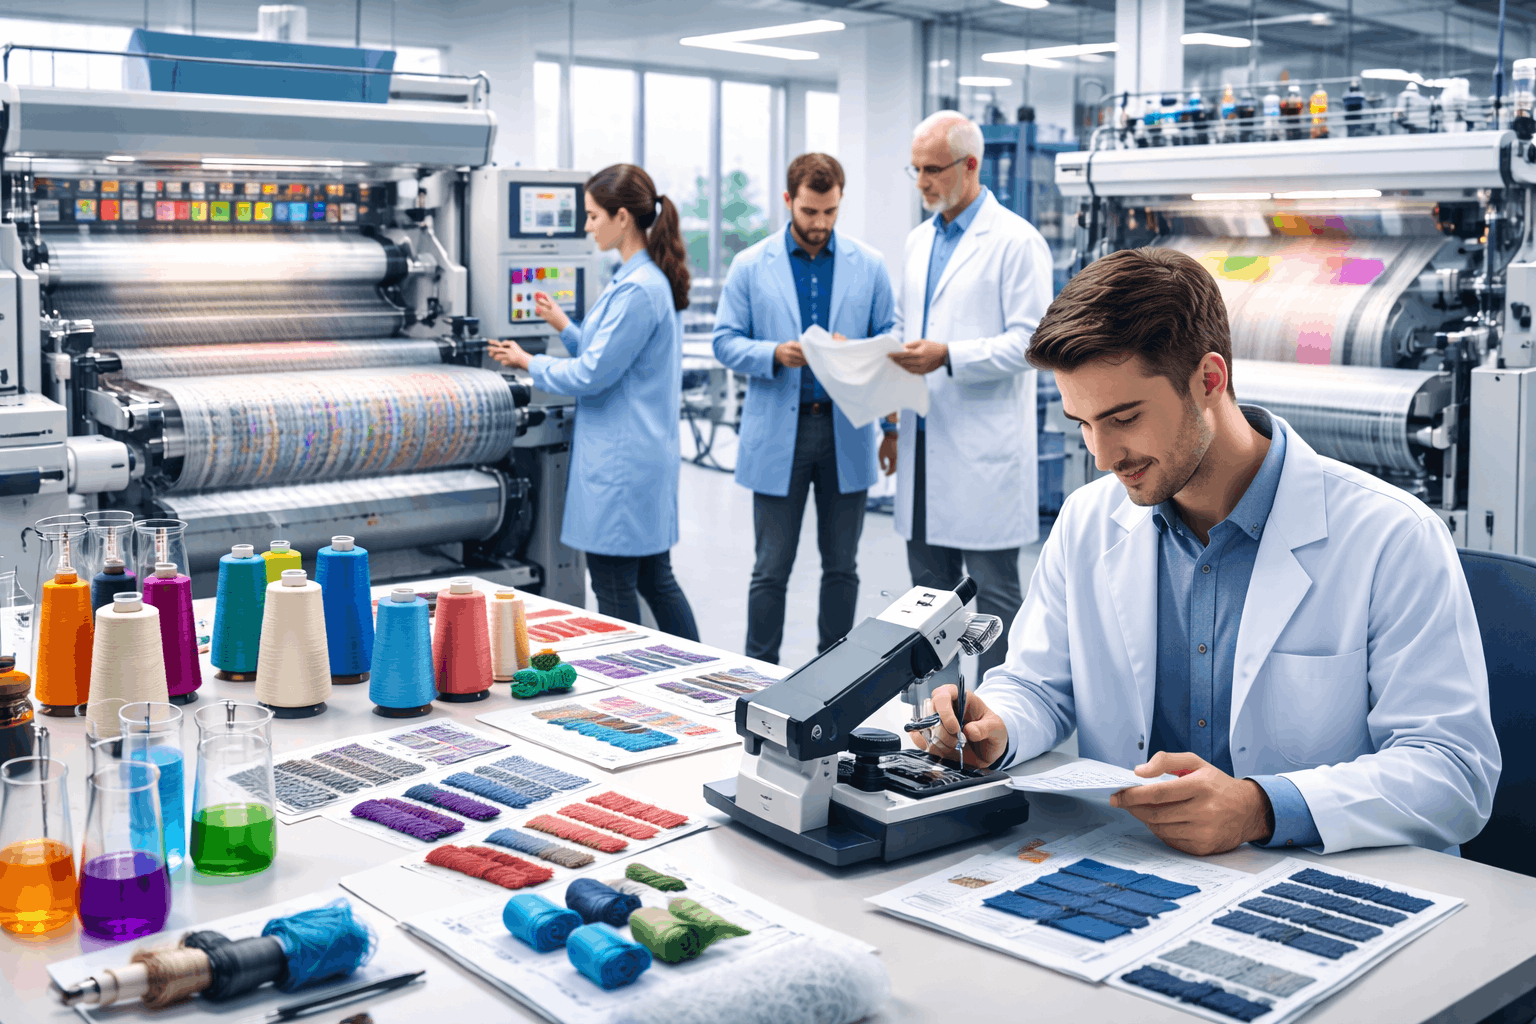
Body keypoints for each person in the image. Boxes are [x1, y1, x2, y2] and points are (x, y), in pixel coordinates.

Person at [915, 247, 1501, 856]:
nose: (1102, 456)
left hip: (1320, 875)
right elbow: (1041, 684)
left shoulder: (1392, 535)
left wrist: (1261, 808)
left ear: (1209, 380)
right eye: (1082, 423)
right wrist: (999, 723)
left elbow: (1453, 771)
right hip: (1138, 862)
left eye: (1123, 418)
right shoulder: (1086, 521)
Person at [490, 164, 699, 641]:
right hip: (640, 458)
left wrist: (528, 361)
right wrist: (565, 325)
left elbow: (591, 374)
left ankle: (629, 674)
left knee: (615, 586)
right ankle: (698, 668)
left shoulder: (637, 290)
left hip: (622, 468)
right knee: (655, 579)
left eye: (592, 216)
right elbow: (610, 353)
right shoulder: (642, 280)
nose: (586, 227)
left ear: (622, 217)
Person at [712, 153, 896, 664]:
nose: (820, 224)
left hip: (847, 432)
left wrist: (889, 424)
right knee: (770, 569)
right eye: (810, 211)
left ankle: (833, 676)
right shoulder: (750, 265)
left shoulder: (869, 265)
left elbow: (892, 340)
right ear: (788, 200)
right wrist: (774, 353)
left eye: (830, 212)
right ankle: (757, 672)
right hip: (779, 434)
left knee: (842, 568)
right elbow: (725, 341)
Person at [888, 111, 1052, 683]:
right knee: (927, 606)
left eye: (933, 169)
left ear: (971, 165)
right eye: (916, 169)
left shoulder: (1016, 241)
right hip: (924, 446)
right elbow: (906, 328)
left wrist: (949, 355)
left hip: (983, 455)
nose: (922, 182)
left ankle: (998, 711)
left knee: (995, 599)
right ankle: (936, 711)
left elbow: (1032, 343)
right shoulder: (917, 242)